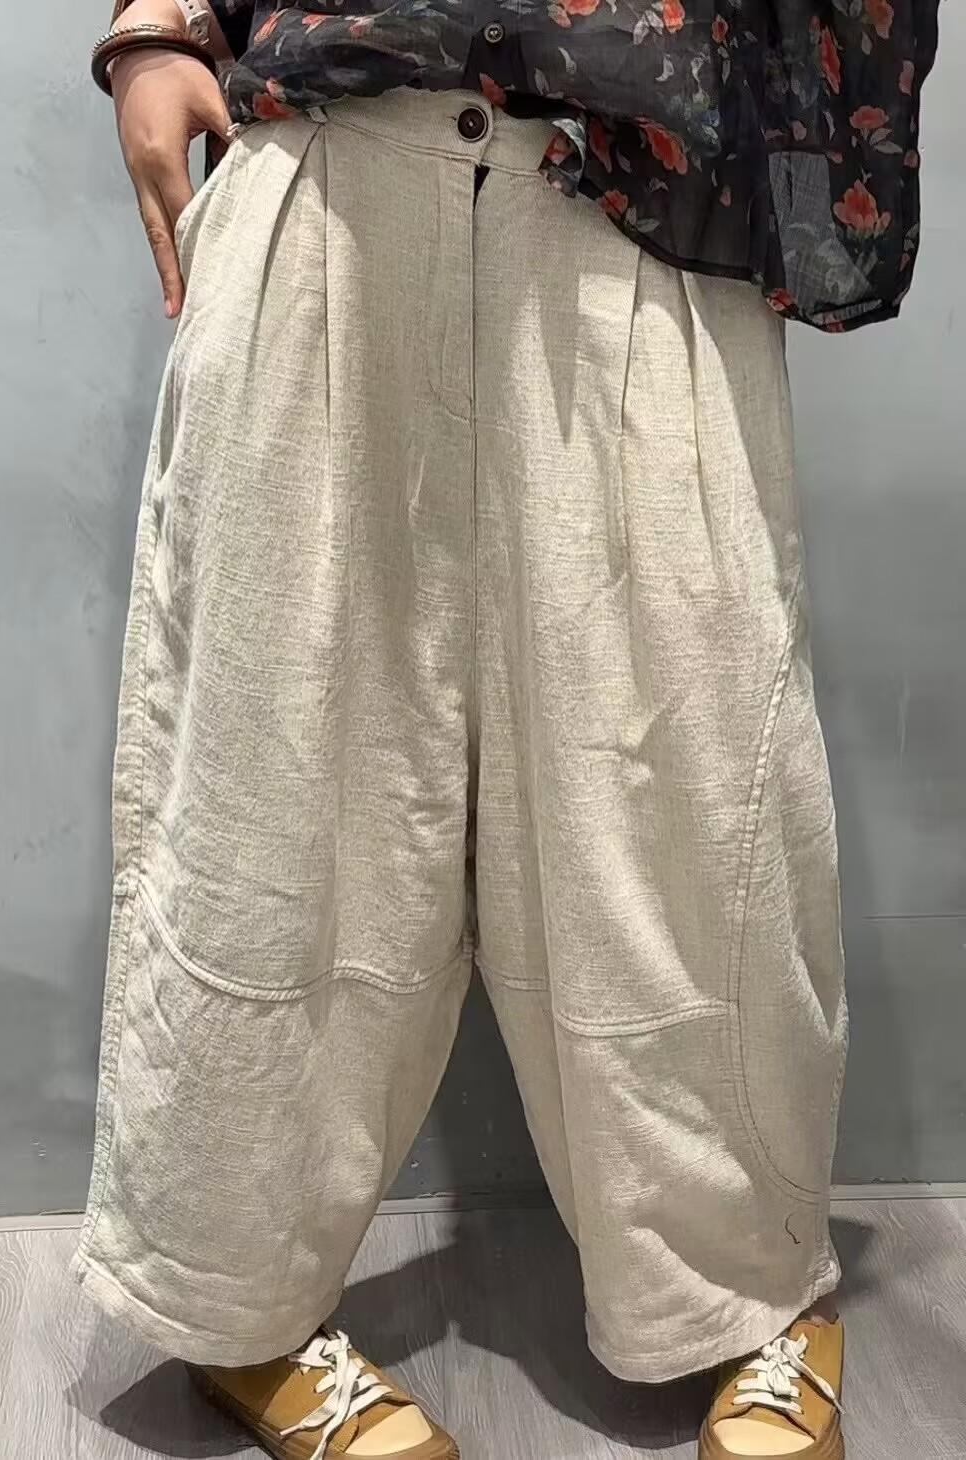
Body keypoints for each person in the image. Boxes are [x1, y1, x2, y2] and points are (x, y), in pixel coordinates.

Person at [71, 0, 938, 1455]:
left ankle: (747, 1288)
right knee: (271, 790)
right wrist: (155, 29)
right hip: (328, 170)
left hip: (639, 205)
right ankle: (238, 1309)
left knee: (691, 801)